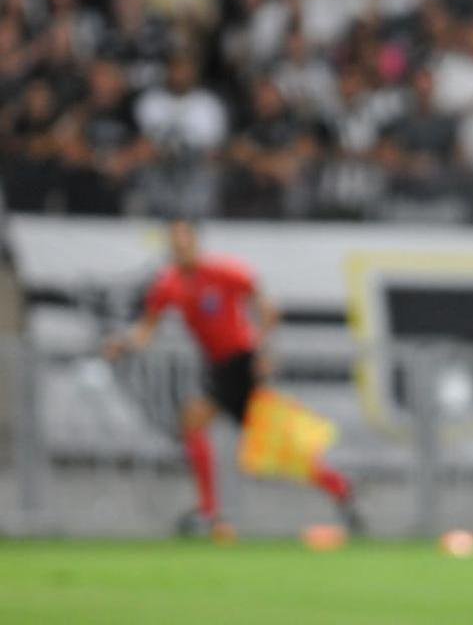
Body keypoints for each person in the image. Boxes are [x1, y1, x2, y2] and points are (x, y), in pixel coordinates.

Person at [106, 220, 360, 538]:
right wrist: (124, 343)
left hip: (241, 363)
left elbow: (267, 309)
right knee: (253, 437)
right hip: (218, 367)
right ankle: (336, 486)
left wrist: (263, 351)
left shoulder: (226, 273)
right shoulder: (168, 285)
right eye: (174, 242)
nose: (180, 247)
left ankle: (213, 514)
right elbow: (146, 329)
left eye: (185, 240)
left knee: (206, 425)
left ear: (196, 242)